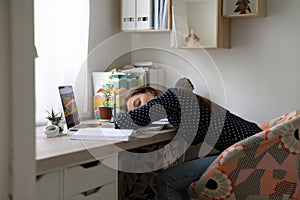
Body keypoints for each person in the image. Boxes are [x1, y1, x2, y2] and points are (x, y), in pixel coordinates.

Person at [115, 85, 262, 200]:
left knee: (167, 180)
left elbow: (132, 119)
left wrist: (113, 119)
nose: (141, 107)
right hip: (249, 146)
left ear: (150, 91)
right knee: (178, 173)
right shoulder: (176, 101)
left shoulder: (172, 96)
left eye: (138, 102)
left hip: (246, 151)